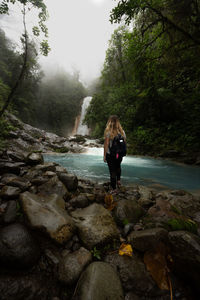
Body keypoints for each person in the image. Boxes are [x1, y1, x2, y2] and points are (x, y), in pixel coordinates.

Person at [104, 115, 126, 193]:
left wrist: (104, 156)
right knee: (118, 166)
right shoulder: (122, 132)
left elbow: (106, 145)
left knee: (112, 171)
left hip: (111, 154)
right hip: (119, 154)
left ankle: (114, 189)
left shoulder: (108, 132)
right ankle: (119, 181)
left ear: (110, 122)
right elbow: (124, 143)